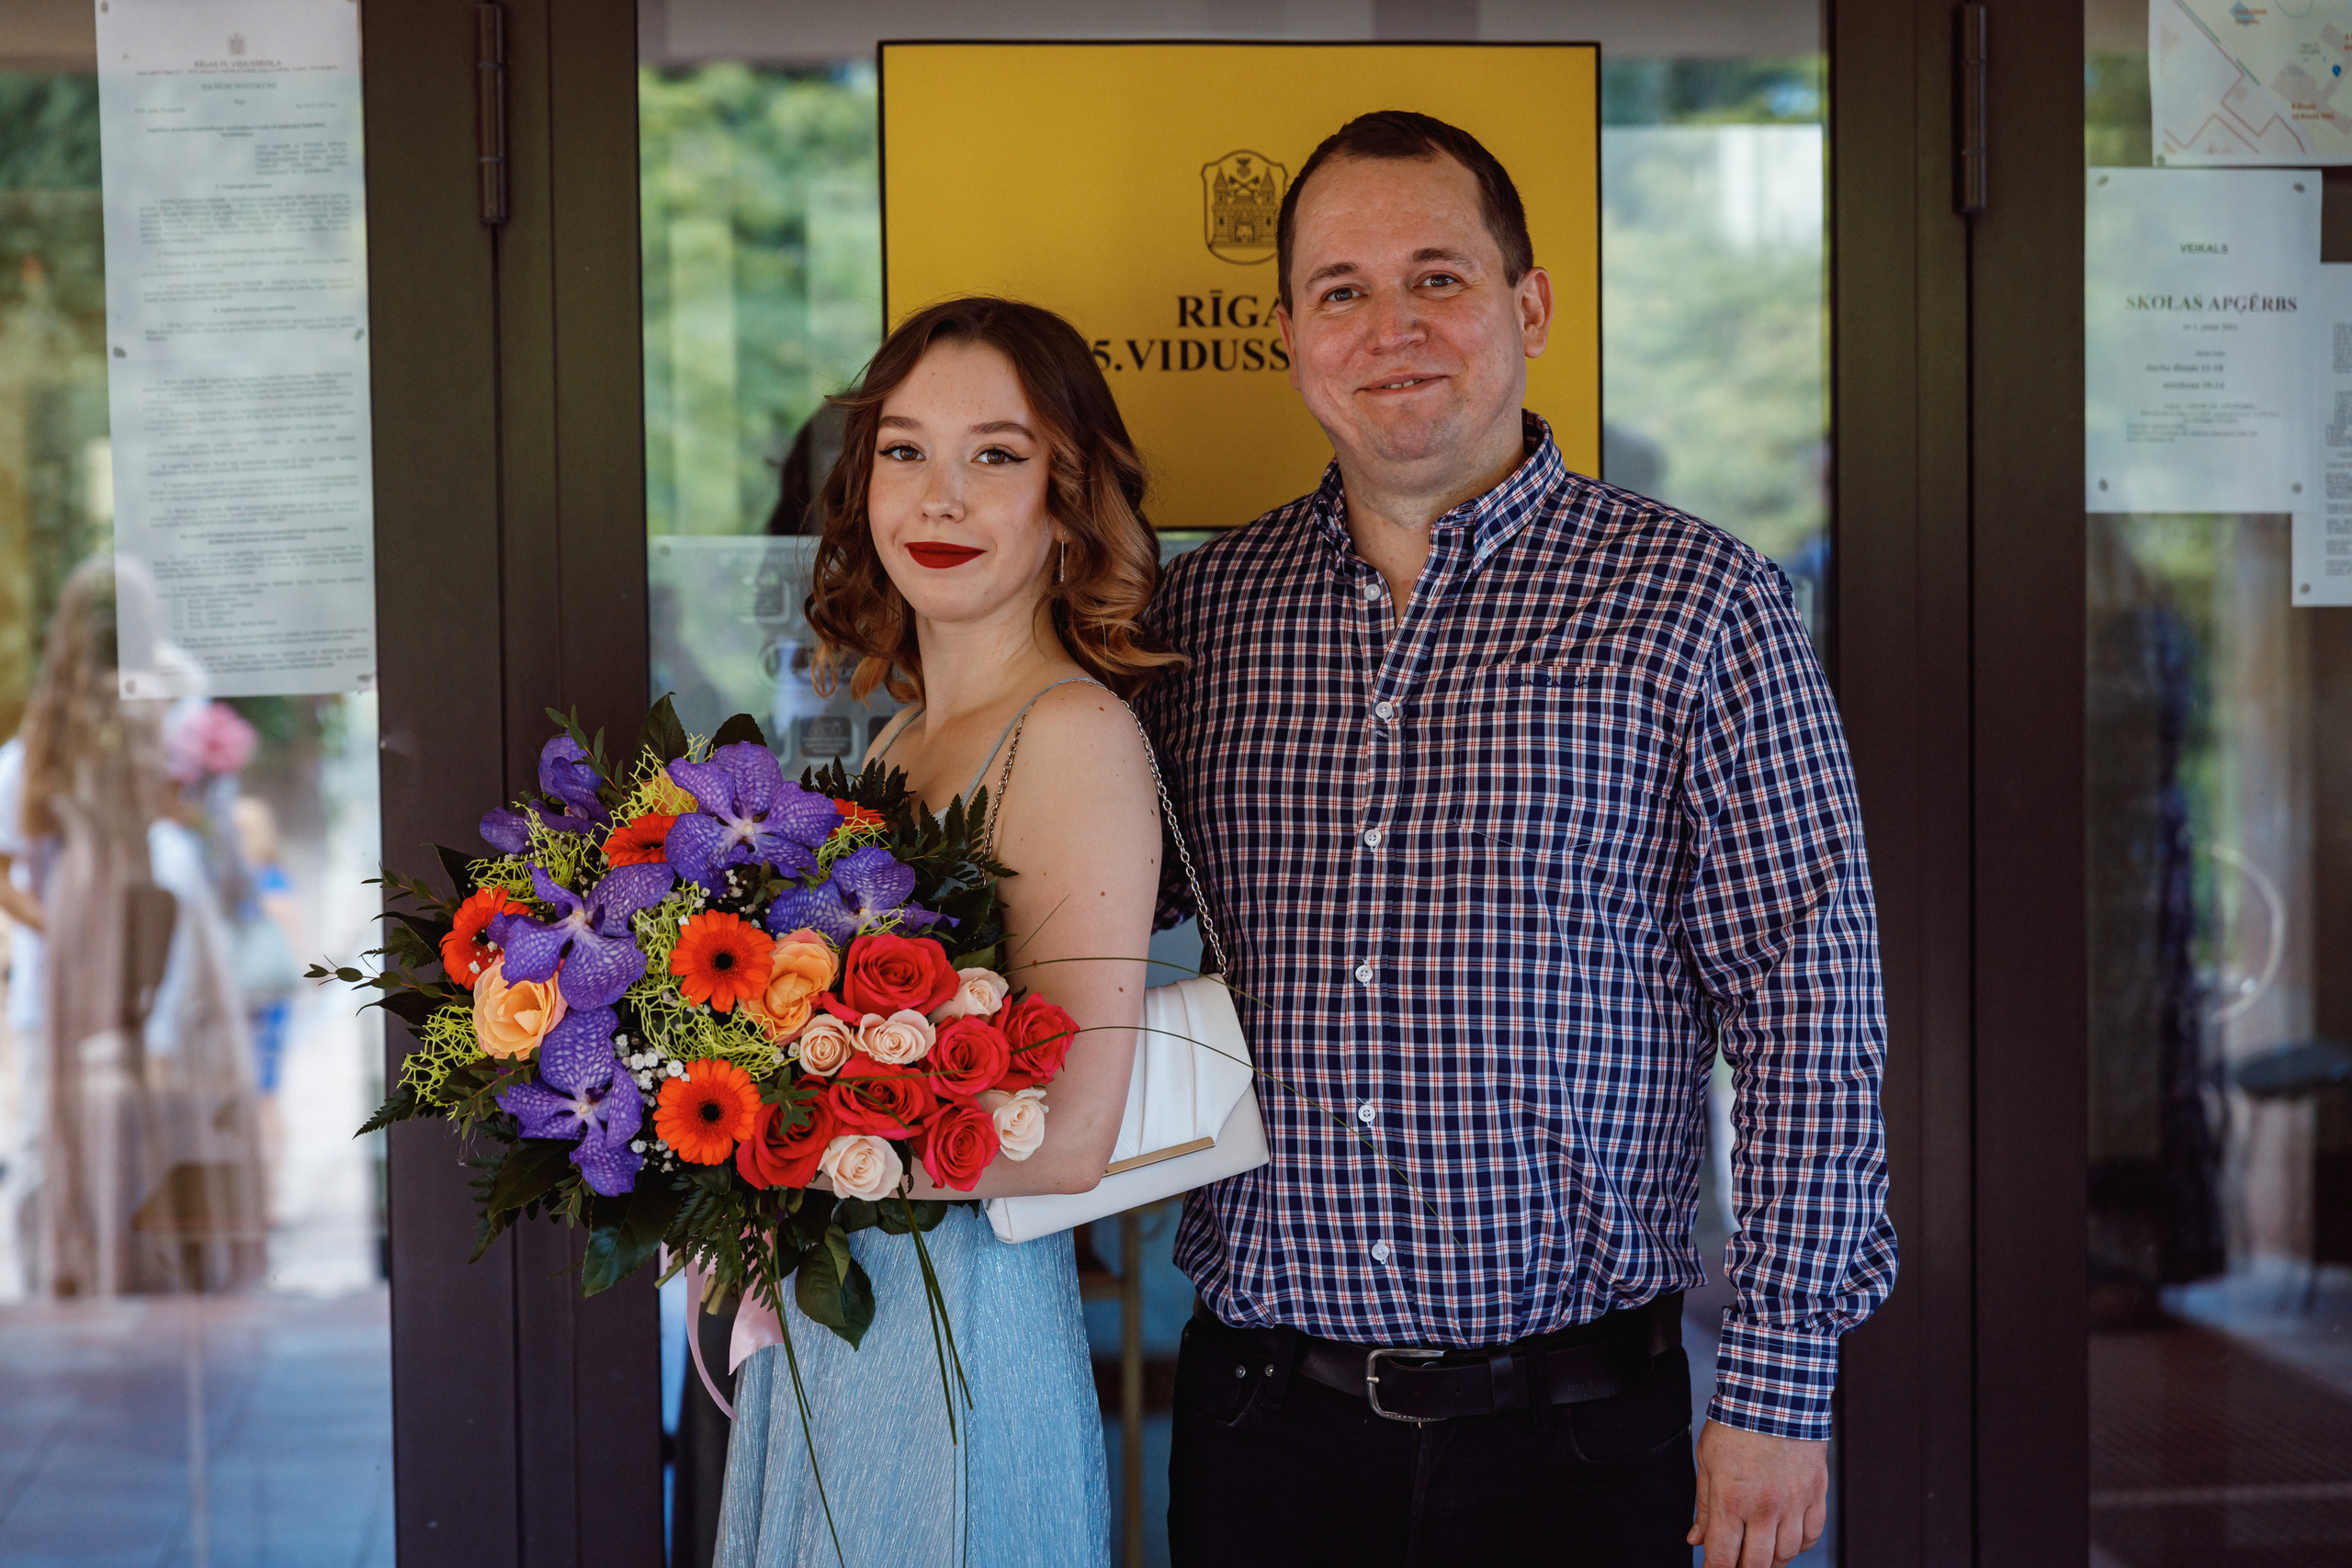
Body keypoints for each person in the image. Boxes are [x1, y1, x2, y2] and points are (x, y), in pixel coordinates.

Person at [1137, 111, 1897, 1568]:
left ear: (1529, 306)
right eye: (1343, 290)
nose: (1392, 327)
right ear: (1288, 332)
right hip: (1259, 1429)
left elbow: (1808, 1003)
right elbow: (1079, 929)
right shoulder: (1204, 618)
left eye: (1440, 277)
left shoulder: (1698, 605)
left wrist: (1782, 1380)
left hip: (1580, 1435)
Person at [714, 297, 1176, 1567]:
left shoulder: (1072, 732)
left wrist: (765, 1163)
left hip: (955, 1322)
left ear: (1068, 495)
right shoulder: (893, 739)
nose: (941, 497)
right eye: (905, 450)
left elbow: (1072, 1137)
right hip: (844, 1302)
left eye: (997, 454)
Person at [0, 560, 265, 1298]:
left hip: (89, 890)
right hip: (144, 881)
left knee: (107, 1079)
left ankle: (96, 1260)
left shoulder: (55, 718)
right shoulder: (160, 699)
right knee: (156, 1075)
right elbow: (181, 819)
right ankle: (154, 1261)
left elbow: (28, 831)